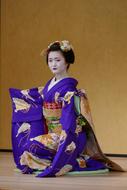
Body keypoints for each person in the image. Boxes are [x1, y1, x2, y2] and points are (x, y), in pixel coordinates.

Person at [9, 40, 124, 177]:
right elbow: (42, 97)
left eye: (57, 60)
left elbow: (69, 121)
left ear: (67, 61)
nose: (53, 64)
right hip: (52, 132)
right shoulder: (51, 83)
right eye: (50, 60)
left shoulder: (69, 89)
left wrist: (66, 136)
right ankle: (57, 158)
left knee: (31, 146)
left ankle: (64, 160)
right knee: (25, 146)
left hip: (65, 133)